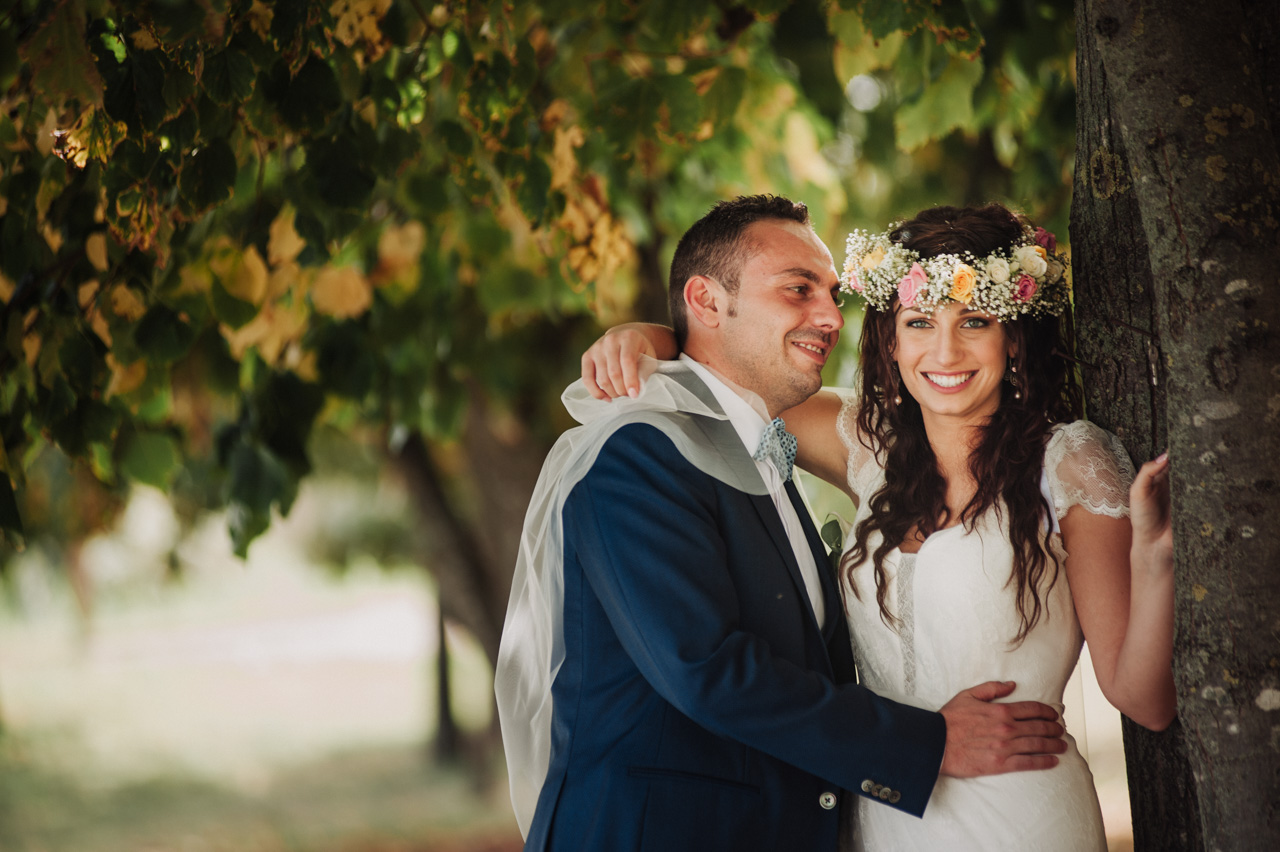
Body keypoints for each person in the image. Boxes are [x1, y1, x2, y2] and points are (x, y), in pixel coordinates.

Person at [581, 202, 1176, 851]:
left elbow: (1143, 699)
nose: (945, 351)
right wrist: (648, 336)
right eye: (919, 321)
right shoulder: (865, 444)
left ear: (1014, 336)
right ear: (892, 338)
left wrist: (1154, 563)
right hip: (885, 806)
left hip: (1022, 810)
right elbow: (728, 369)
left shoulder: (1070, 462)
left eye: (975, 321)